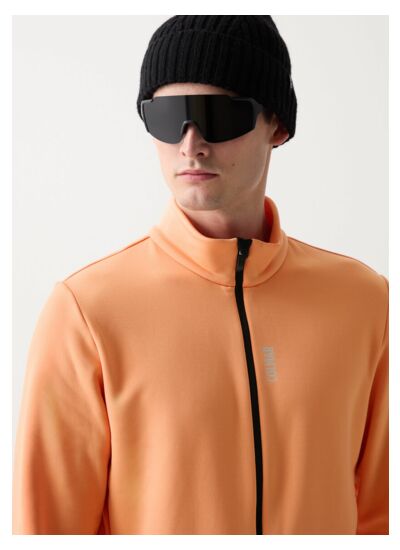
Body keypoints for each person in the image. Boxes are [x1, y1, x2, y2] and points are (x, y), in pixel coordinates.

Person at [13, 15, 388, 535]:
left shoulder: (363, 302)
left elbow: (382, 517)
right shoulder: (87, 311)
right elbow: (48, 532)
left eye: (219, 115)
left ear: (277, 125)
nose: (190, 143)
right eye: (168, 118)